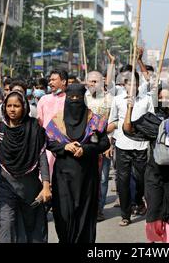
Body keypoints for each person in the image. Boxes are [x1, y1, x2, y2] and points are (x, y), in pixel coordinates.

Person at [122, 86, 169, 243]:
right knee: (154, 210)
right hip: (154, 172)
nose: (165, 101)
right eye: (161, 98)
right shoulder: (150, 120)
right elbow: (128, 130)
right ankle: (154, 241)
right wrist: (130, 108)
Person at [45, 84, 110, 243]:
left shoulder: (94, 120)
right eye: (71, 98)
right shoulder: (57, 119)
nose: (74, 101)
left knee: (84, 215)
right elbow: (48, 142)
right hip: (63, 178)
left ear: (84, 99)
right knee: (64, 215)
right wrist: (64, 146)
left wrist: (86, 149)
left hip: (87, 177)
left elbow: (104, 143)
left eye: (78, 98)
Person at [0, 91, 51, 243]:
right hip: (5, 185)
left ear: (24, 108)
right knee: (6, 223)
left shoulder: (34, 129)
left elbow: (42, 158)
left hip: (29, 187)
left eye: (16, 106)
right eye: (9, 106)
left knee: (31, 227)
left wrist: (46, 186)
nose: (12, 109)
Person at [108, 71, 154, 226]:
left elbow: (151, 121)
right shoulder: (117, 100)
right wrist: (109, 142)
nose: (131, 86)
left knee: (141, 179)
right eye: (128, 83)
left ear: (138, 84)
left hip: (141, 145)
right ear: (124, 84)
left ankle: (139, 199)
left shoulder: (147, 100)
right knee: (123, 180)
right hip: (122, 144)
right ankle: (125, 214)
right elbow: (112, 121)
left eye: (134, 83)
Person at [85, 71, 114, 222]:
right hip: (85, 144)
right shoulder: (83, 98)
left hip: (103, 143)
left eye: (95, 82)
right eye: (90, 81)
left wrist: (109, 142)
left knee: (102, 178)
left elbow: (113, 121)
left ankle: (98, 209)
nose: (92, 84)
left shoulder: (110, 99)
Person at [36, 69, 68, 179]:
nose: (50, 82)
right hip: (46, 147)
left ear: (63, 81)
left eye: (53, 80)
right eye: (50, 80)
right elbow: (39, 125)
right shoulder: (44, 100)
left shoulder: (70, 100)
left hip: (65, 147)